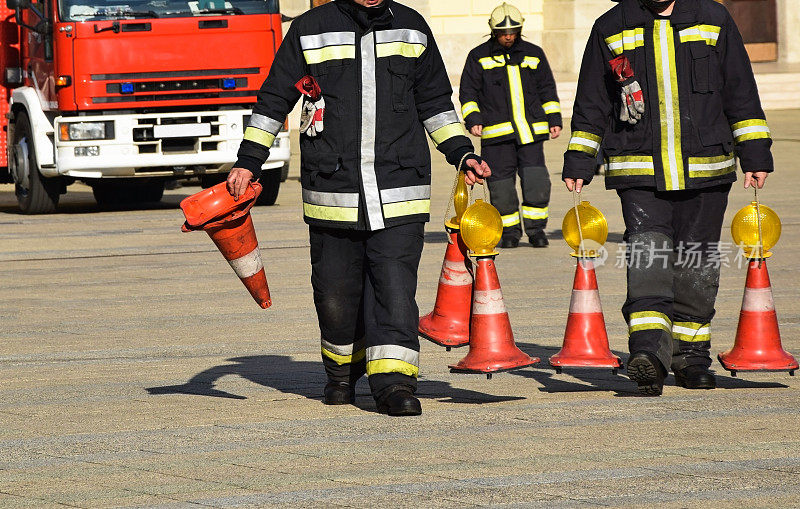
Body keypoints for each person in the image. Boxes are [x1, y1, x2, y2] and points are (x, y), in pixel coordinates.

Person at [226, 0, 491, 416]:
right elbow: (275, 99)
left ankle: (394, 384)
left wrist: (461, 153)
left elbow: (436, 102)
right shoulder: (311, 28)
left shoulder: (412, 27)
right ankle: (341, 374)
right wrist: (248, 161)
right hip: (333, 193)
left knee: (395, 289)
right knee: (335, 295)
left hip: (399, 188)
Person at [563, 0, 772, 395]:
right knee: (648, 254)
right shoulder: (611, 25)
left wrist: (755, 153)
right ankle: (648, 355)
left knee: (697, 262)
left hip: (706, 167)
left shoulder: (713, 18)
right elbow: (592, 98)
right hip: (640, 168)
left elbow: (740, 89)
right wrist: (579, 158)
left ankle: (691, 358)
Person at [459, 2, 562, 249]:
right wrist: (473, 119)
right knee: (501, 188)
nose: (508, 36)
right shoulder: (478, 56)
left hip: (531, 135)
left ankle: (537, 231)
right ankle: (509, 233)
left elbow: (547, 88)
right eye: (504, 32)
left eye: (513, 31)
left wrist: (554, 119)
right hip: (496, 138)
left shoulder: (533, 54)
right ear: (493, 31)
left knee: (537, 184)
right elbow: (468, 93)